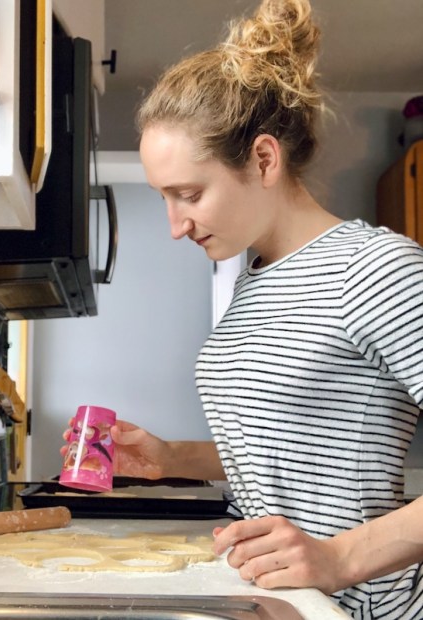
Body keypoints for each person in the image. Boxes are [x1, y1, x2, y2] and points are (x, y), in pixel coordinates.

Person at [62, 0, 423, 618]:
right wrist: (174, 459)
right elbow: (298, 448)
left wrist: (340, 559)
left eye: (189, 194)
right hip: (275, 602)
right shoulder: (254, 277)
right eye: (165, 199)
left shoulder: (374, 268)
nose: (176, 226)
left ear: (262, 159)